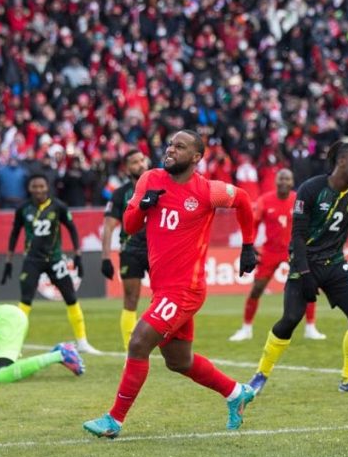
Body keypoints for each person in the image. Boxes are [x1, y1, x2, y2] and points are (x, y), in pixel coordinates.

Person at [83, 130, 260, 438]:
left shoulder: (207, 191)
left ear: (196, 158)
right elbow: (129, 225)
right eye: (169, 145)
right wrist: (143, 207)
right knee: (179, 361)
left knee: (138, 342)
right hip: (163, 288)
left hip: (186, 289)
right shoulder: (149, 179)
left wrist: (247, 244)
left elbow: (243, 199)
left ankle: (114, 420)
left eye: (180, 147)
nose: (170, 150)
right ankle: (236, 393)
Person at [249, 142, 348, 395]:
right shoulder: (311, 189)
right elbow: (298, 236)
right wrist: (304, 274)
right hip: (305, 263)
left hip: (335, 264)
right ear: (341, 162)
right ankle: (260, 375)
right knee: (291, 319)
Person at [1, 174, 101, 355]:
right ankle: (13, 344)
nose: (38, 190)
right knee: (25, 301)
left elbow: (72, 228)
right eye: (34, 186)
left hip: (55, 259)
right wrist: (8, 260)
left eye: (41, 186)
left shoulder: (58, 206)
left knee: (71, 298)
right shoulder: (23, 208)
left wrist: (78, 255)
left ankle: (82, 342)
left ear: (47, 188)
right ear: (29, 188)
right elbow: (14, 233)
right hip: (31, 260)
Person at [228, 169, 327, 342]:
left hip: (295, 251)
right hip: (270, 251)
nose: (283, 182)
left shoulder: (298, 199)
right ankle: (246, 329)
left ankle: (311, 327)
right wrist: (250, 246)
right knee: (257, 289)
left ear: (291, 182)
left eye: (287, 179)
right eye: (281, 178)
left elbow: (311, 224)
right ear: (276, 181)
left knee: (308, 286)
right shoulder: (265, 200)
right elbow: (254, 223)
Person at [100, 149, 151, 350]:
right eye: (135, 162)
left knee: (163, 298)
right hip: (130, 250)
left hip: (158, 250)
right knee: (130, 299)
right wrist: (105, 258)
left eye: (142, 160)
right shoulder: (120, 194)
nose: (140, 164)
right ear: (127, 168)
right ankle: (129, 350)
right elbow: (108, 226)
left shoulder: (161, 185)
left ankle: (169, 345)